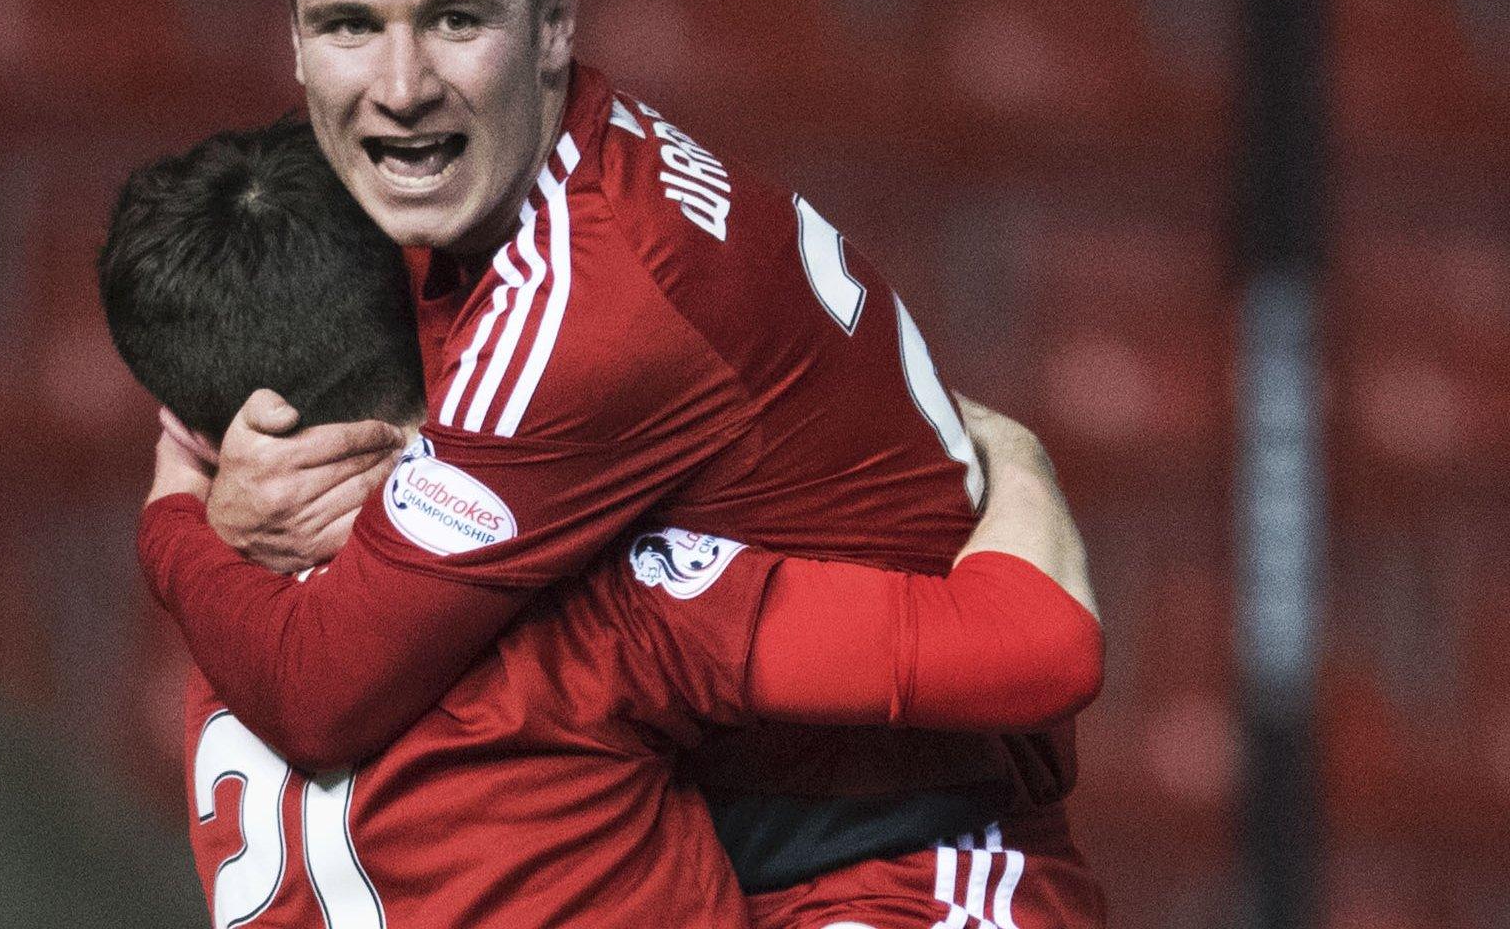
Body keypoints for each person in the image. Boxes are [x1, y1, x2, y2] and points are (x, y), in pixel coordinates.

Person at [135, 0, 1107, 925]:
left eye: (454, 20)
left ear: (553, 25)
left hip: (908, 862)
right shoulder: (453, 223)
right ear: (293, 43)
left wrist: (177, 525)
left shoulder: (583, 311)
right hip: (755, 836)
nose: (398, 85)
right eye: (349, 25)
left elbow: (317, 691)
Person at [104, 119, 1103, 927]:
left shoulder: (219, 662)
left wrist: (176, 517)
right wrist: (1013, 452)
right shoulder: (592, 611)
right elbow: (1037, 649)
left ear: (190, 429)